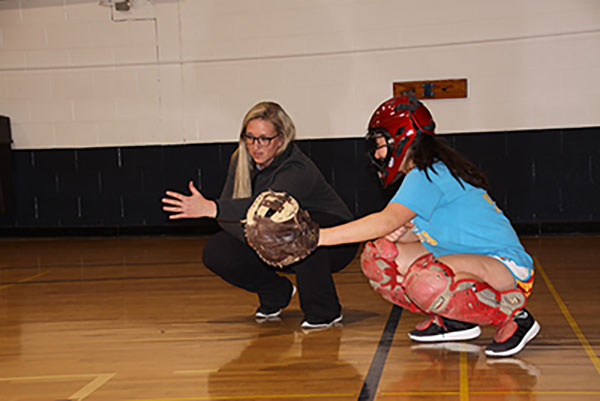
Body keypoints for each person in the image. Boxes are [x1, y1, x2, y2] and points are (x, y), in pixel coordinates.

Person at [317, 93, 540, 356]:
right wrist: (400, 235)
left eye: (380, 143)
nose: (377, 153)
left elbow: (384, 221)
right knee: (379, 256)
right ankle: (457, 319)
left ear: (400, 138)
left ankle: (515, 316)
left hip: (506, 269)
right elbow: (419, 235)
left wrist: (317, 237)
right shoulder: (428, 173)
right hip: (475, 263)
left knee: (426, 280)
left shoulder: (427, 174)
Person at [162, 101, 357, 329]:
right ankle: (276, 292)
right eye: (250, 137)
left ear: (281, 140)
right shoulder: (240, 160)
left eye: (264, 139)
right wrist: (254, 239)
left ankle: (324, 311)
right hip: (274, 235)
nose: (256, 146)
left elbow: (265, 205)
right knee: (217, 252)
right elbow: (229, 211)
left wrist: (210, 208)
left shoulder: (297, 169)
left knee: (299, 232)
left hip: (335, 241)